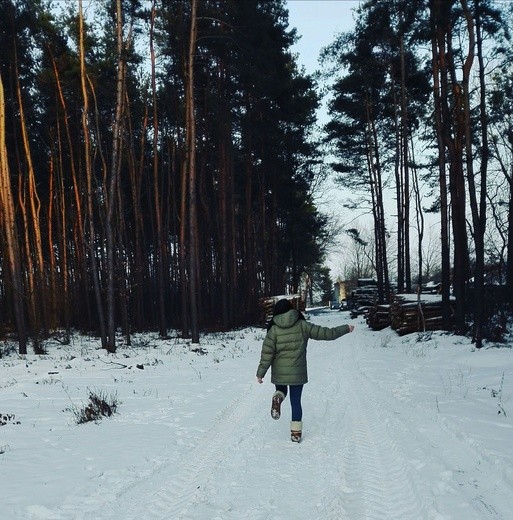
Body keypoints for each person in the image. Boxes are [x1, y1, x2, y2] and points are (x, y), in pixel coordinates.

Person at [256, 298, 354, 443]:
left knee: (282, 390)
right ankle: (295, 433)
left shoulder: (274, 329)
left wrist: (260, 373)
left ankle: (278, 397)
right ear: (291, 309)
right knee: (296, 402)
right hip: (297, 372)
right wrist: (345, 328)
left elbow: (267, 354)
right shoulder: (302, 325)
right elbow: (326, 333)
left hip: (280, 373)